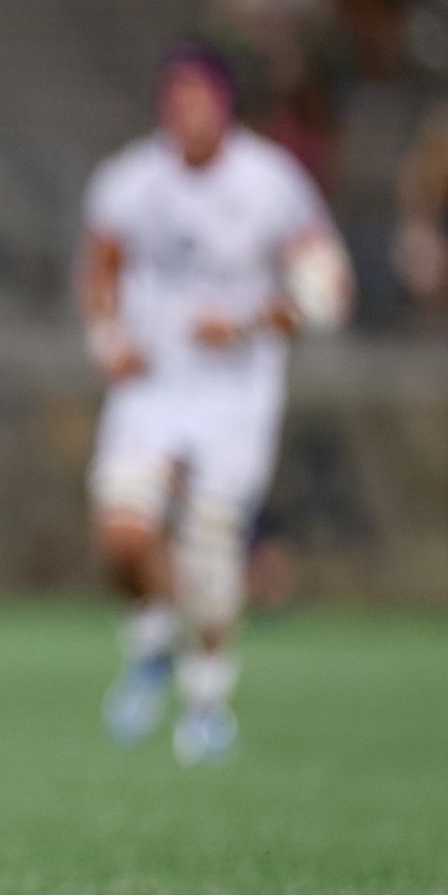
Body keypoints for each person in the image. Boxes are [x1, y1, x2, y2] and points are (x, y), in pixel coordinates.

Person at [79, 40, 353, 766]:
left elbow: (325, 289)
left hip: (235, 388)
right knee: (122, 535)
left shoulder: (271, 183)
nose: (184, 110)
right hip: (156, 382)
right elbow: (100, 262)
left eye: (197, 96)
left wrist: (252, 324)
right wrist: (108, 335)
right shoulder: (133, 179)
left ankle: (206, 700)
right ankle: (151, 643)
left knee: (209, 541)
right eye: (174, 96)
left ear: (226, 104)